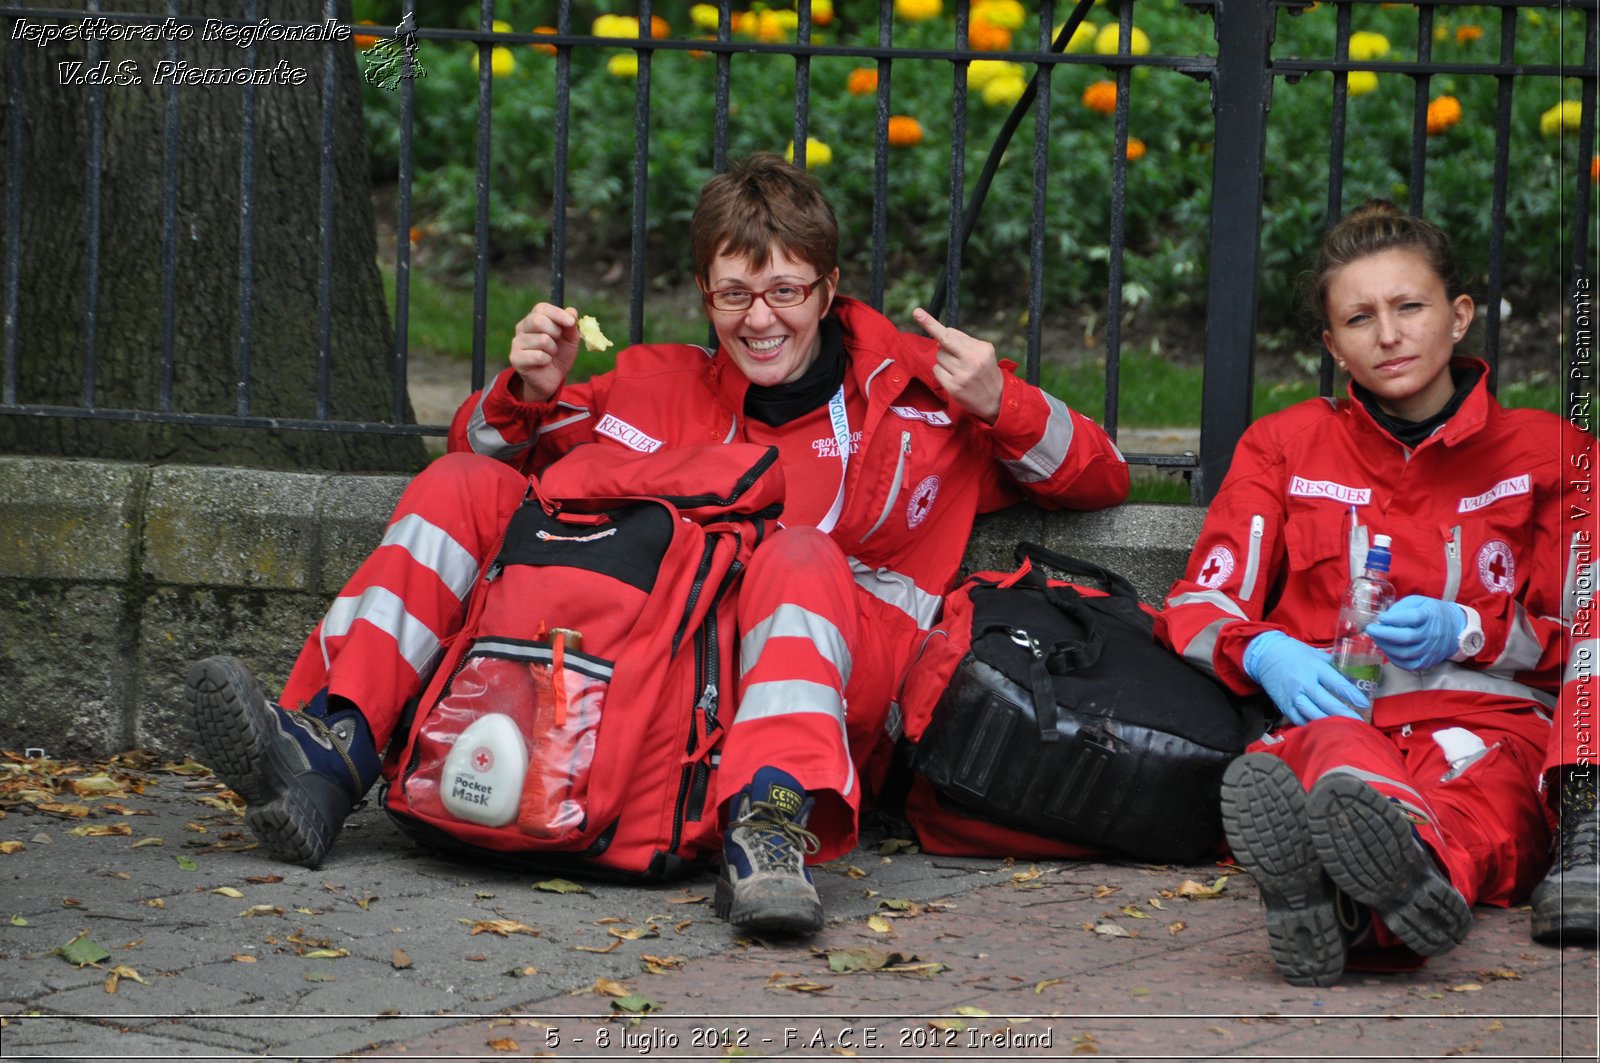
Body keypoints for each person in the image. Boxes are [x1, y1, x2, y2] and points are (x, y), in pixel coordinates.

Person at [185, 153, 1129, 934]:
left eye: (785, 290)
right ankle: (334, 745)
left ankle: (767, 824)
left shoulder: (918, 400)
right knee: (462, 486)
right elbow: (477, 453)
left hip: (830, 669)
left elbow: (1101, 477)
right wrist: (525, 393)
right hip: (651, 666)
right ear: (703, 295)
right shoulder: (650, 384)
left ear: (829, 287)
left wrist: (1002, 400)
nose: (761, 319)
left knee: (797, 552)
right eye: (733, 294)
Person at [1155, 200, 1593, 986]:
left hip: (1488, 727)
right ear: (1332, 344)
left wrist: (1469, 629)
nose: (1387, 335)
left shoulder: (1551, 454)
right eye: (1359, 318)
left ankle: (1346, 892)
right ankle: (1382, 895)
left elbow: (1583, 633)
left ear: (1459, 316)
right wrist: (1262, 648)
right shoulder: (1284, 445)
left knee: (1482, 804)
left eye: (1409, 307)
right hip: (1342, 715)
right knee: (1332, 760)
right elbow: (1196, 602)